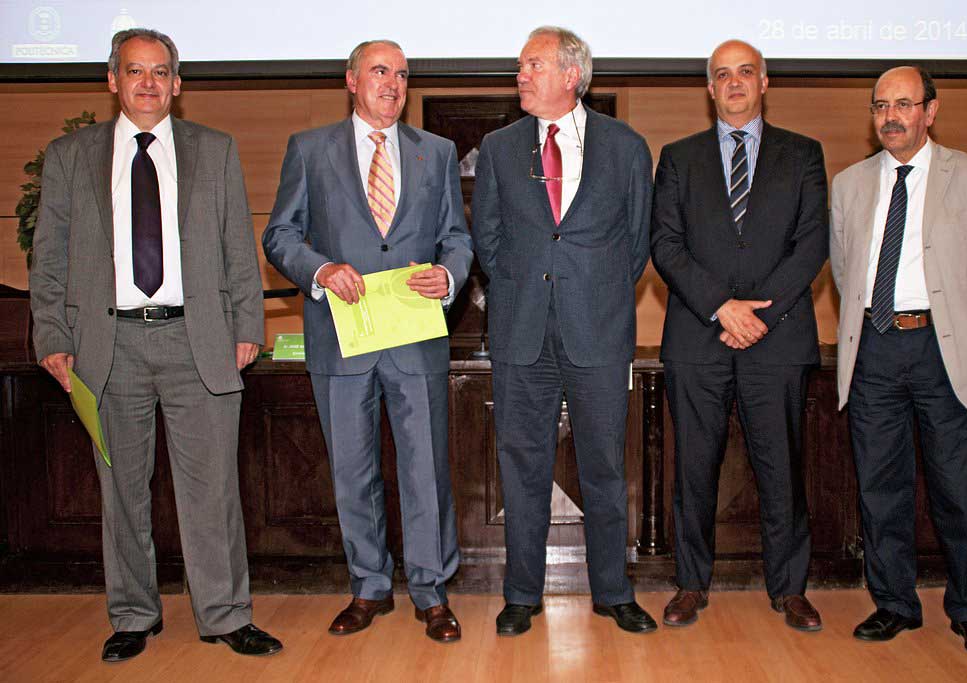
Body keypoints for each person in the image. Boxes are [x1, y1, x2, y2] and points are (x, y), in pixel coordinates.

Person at [30, 28, 281, 661]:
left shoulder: (215, 151)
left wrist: (248, 325)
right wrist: (53, 334)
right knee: (120, 490)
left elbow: (236, 250)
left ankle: (226, 614)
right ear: (113, 81)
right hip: (105, 346)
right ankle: (134, 616)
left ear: (177, 83)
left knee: (213, 489)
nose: (148, 82)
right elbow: (49, 259)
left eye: (160, 72)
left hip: (198, 340)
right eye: (134, 71)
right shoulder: (69, 156)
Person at [262, 39, 473, 643]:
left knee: (425, 471)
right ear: (351, 80)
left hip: (415, 339)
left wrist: (450, 274)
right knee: (353, 472)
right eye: (380, 71)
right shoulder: (309, 149)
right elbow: (280, 235)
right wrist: (321, 271)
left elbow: (457, 238)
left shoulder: (436, 151)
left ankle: (432, 593)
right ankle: (369, 587)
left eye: (402, 75)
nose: (393, 84)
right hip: (340, 337)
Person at [471, 26, 656, 636]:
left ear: (570, 74)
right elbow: (488, 241)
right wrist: (526, 288)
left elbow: (635, 246)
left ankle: (612, 591)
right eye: (521, 66)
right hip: (521, 334)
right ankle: (522, 594)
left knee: (605, 467)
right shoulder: (498, 148)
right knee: (522, 467)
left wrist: (587, 292)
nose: (520, 75)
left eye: (533, 65)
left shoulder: (626, 147)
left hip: (598, 334)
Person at [830, 66, 967, 659]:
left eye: (904, 104)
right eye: (881, 106)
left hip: (942, 348)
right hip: (875, 348)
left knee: (958, 488)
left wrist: (948, 318)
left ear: (930, 111)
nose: (891, 116)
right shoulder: (850, 184)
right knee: (881, 487)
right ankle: (895, 604)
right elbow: (843, 269)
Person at [650, 39, 827, 632]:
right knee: (693, 471)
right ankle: (691, 584)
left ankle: (789, 589)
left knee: (782, 470)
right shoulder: (678, 157)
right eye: (721, 75)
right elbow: (666, 245)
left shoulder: (804, 155)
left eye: (744, 73)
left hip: (777, 340)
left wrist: (759, 316)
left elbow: (811, 248)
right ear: (709, 88)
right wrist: (721, 308)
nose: (733, 84)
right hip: (698, 338)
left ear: (764, 82)